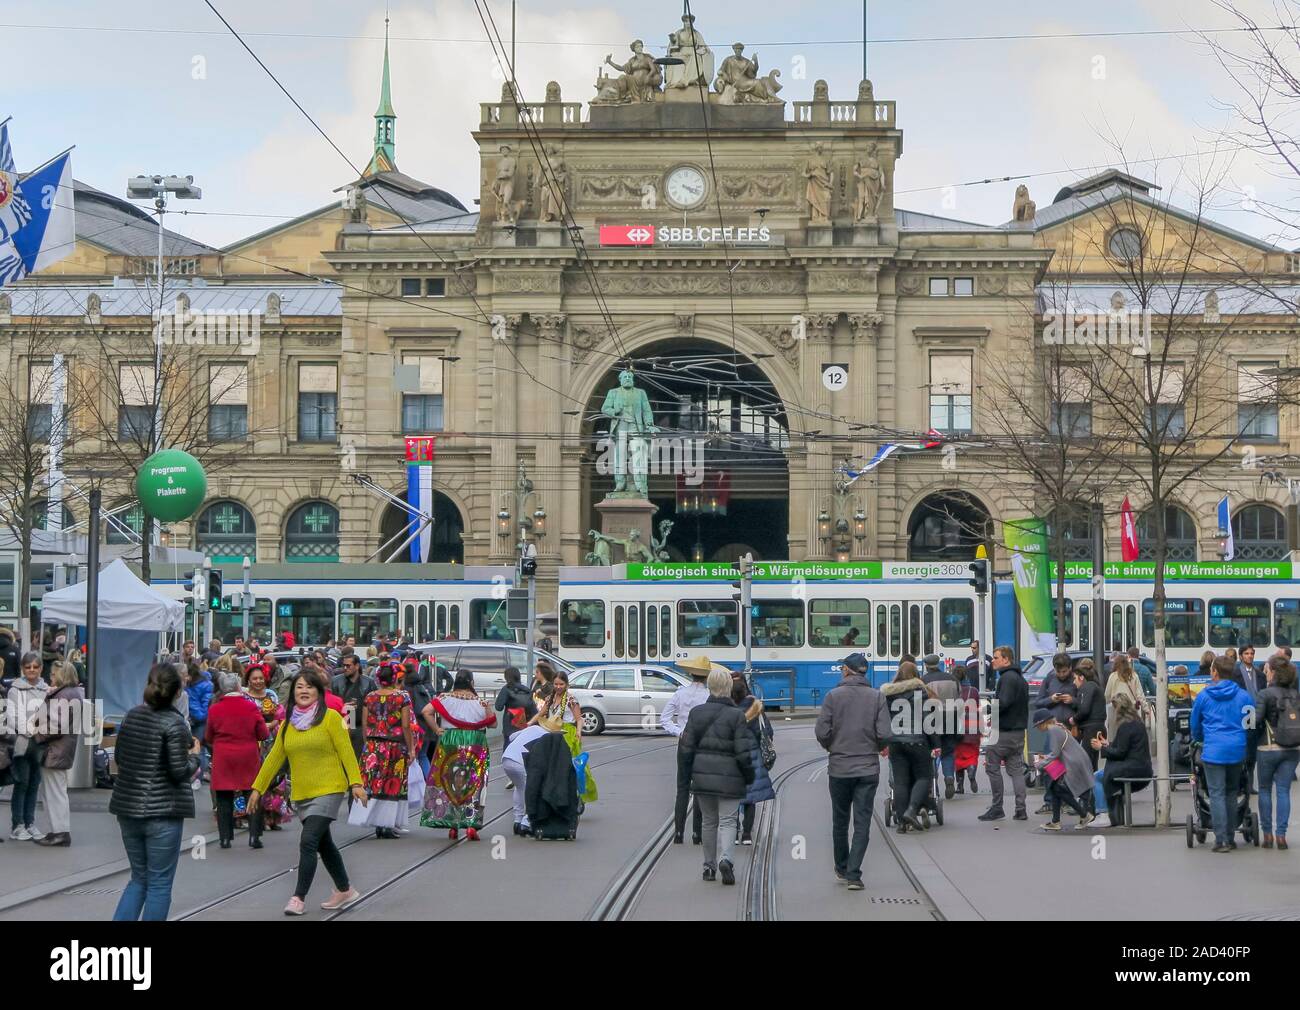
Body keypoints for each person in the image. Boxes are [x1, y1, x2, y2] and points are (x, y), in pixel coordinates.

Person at [250, 668, 366, 915]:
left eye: (309, 687)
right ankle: (345, 889)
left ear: (319, 692)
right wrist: (257, 788)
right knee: (324, 844)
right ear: (293, 692)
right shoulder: (287, 725)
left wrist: (356, 783)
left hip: (330, 788)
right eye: (299, 687)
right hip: (303, 793)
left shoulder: (332, 718)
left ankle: (298, 898)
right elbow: (273, 759)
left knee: (309, 840)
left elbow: (346, 751)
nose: (304, 691)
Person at [110, 664, 200, 920]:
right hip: (163, 811)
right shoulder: (175, 723)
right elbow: (178, 771)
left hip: (128, 807)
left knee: (139, 878)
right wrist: (195, 756)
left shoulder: (131, 716)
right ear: (177, 692)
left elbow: (119, 758)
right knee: (159, 882)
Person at [814, 652, 891, 890]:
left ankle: (842, 866)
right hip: (867, 768)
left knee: (840, 820)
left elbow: (822, 732)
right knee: (862, 822)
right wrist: (875, 747)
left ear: (847, 670)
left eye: (842, 669)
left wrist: (833, 747)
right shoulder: (877, 697)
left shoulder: (832, 696)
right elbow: (884, 733)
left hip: (839, 768)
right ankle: (854, 874)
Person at [679, 666, 754, 886]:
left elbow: (687, 748)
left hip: (702, 777)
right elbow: (743, 752)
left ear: (710, 686)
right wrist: (749, 775)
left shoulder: (696, 713)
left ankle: (708, 867)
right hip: (730, 778)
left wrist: (687, 776)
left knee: (709, 822)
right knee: (729, 821)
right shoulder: (737, 715)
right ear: (729, 687)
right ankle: (726, 860)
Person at [1190, 656, 1256, 853]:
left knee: (1216, 793)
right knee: (1231, 792)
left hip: (1213, 751)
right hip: (1237, 749)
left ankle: (1221, 840)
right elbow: (1251, 725)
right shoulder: (1244, 696)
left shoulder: (1203, 696)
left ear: (1215, 673)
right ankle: (1230, 836)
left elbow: (1195, 725)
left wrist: (1201, 739)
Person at [420, 671, 497, 840]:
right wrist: (487, 708)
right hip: (475, 741)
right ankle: (471, 824)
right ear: (471, 683)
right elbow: (493, 724)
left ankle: (452, 823)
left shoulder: (444, 698)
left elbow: (426, 711)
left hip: (451, 740)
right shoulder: (480, 702)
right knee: (474, 782)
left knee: (449, 780)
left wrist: (436, 729)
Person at [206, 671, 269, 849]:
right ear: (239, 687)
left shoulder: (214, 709)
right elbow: (263, 733)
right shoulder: (251, 707)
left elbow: (208, 736)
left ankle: (225, 838)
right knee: (252, 794)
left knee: (223, 797)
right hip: (247, 755)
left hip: (223, 756)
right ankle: (254, 836)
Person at [356, 662, 415, 839]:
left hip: (373, 746)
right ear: (394, 678)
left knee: (374, 784)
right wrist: (411, 748)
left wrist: (368, 744)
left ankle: (377, 824)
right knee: (392, 785)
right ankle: (387, 824)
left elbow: (365, 724)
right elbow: (406, 726)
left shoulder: (369, 697)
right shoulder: (402, 698)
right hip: (395, 746)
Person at [32, 660, 83, 847]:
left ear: (61, 675)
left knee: (53, 793)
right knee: (55, 792)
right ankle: (57, 831)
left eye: (53, 674)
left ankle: (59, 832)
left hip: (54, 749)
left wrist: (35, 732)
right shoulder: (72, 693)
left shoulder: (63, 695)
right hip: (61, 749)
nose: (50, 676)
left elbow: (56, 726)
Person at [881, 660, 936, 833]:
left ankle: (901, 823)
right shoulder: (920, 691)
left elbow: (883, 720)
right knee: (924, 776)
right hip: (917, 740)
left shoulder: (888, 694)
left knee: (900, 782)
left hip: (896, 742)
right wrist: (935, 743)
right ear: (916, 674)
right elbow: (928, 720)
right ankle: (912, 810)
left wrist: (883, 742)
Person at [663, 655, 712, 844]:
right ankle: (697, 833)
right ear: (706, 676)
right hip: (703, 743)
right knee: (699, 788)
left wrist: (679, 732)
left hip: (685, 742)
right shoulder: (708, 696)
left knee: (682, 788)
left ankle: (678, 833)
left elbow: (665, 719)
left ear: (691, 674)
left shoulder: (680, 693)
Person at [979, 646, 1029, 822]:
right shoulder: (1021, 679)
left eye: (996, 657)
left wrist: (988, 710)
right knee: (1016, 770)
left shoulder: (1006, 678)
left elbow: (1004, 702)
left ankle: (997, 807)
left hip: (1003, 732)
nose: (992, 660)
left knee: (992, 767)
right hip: (1018, 732)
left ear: (1006, 659)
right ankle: (1021, 809)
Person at [1088, 693, 1152, 828]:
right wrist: (1107, 744)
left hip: (1132, 769)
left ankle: (1103, 814)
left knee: (1096, 777)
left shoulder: (1125, 726)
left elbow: (1120, 753)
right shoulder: (1137, 722)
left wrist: (1101, 747)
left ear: (1119, 709)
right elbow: (1125, 747)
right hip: (1141, 767)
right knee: (1100, 775)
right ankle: (1105, 813)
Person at [1255, 659, 1300, 849]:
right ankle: (1281, 836)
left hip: (1268, 747)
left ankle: (1267, 835)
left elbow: (1256, 720)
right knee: (1283, 791)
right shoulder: (1296, 694)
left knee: (1265, 790)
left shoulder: (1264, 694)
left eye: (1267, 669)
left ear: (1273, 672)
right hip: (1292, 748)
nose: (1265, 672)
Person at [540, 669, 597, 807]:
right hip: (552, 733)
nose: (558, 687)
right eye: (556, 684)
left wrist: (579, 732)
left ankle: (578, 795)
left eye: (561, 684)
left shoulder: (571, 700)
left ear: (566, 684)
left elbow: (579, 719)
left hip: (568, 735)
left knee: (572, 768)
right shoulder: (549, 699)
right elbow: (541, 714)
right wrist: (529, 724)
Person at [7, 652, 49, 840]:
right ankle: (18, 826)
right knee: (21, 783)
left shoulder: (46, 689)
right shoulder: (14, 690)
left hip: (40, 744)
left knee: (34, 784)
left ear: (41, 668)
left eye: (35, 666)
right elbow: (13, 717)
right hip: (22, 743)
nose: (32, 670)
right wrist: (30, 730)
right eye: (28, 667)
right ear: (22, 668)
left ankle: (30, 823)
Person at [1032, 708, 1095, 830]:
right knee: (1054, 787)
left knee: (1058, 789)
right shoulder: (1057, 727)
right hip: (1075, 760)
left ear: (1043, 722)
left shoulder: (1053, 729)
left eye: (1037, 725)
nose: (1037, 728)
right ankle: (1055, 821)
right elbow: (1058, 751)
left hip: (1073, 762)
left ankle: (1084, 815)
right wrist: (1046, 758)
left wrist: (1040, 764)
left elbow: (1055, 753)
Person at [732, 675, 775, 846]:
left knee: (733, 795)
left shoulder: (726, 707)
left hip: (732, 754)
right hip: (752, 755)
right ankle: (747, 834)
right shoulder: (755, 705)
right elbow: (767, 731)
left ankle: (734, 832)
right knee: (751, 796)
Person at [921, 653, 961, 798]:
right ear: (938, 664)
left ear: (926, 666)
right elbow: (959, 697)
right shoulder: (952, 679)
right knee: (948, 751)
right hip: (950, 718)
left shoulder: (923, 681)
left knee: (932, 752)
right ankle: (949, 777)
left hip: (932, 719)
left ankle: (934, 784)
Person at [331, 653, 376, 761]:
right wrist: (341, 707)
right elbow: (331, 703)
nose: (345, 668)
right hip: (341, 726)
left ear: (357, 666)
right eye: (344, 665)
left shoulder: (368, 682)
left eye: (348, 666)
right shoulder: (335, 681)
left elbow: (374, 706)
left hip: (360, 727)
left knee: (359, 759)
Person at [1070, 663, 1107, 772]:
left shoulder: (1087, 687)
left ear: (1081, 677)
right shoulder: (1094, 687)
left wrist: (1074, 719)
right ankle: (1093, 781)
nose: (1074, 682)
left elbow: (1084, 709)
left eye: (1075, 678)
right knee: (1092, 762)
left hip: (1091, 729)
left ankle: (1091, 782)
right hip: (1097, 727)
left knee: (1087, 762)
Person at [495, 666, 537, 760]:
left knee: (508, 753)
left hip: (510, 726)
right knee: (523, 753)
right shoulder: (527, 690)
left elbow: (498, 707)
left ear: (507, 678)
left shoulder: (506, 689)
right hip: (525, 726)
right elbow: (533, 710)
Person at [954, 666, 982, 794]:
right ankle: (971, 770)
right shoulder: (974, 691)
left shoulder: (953, 691)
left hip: (957, 728)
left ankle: (960, 785)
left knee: (957, 756)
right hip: (972, 728)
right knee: (972, 753)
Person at [1037, 653, 1079, 725]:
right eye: (1058, 671)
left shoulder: (1076, 680)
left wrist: (1072, 700)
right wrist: (1051, 699)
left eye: (1064, 671)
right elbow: (1038, 703)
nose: (1061, 675)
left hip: (1072, 725)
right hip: (1052, 725)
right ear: (1054, 669)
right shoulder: (1049, 679)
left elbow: (1084, 704)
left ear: (1070, 668)